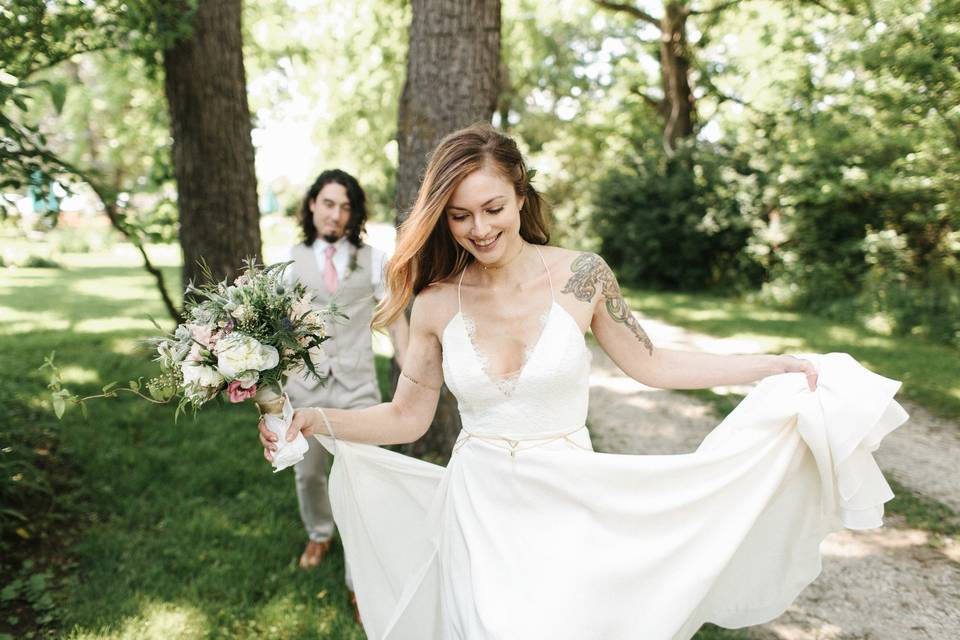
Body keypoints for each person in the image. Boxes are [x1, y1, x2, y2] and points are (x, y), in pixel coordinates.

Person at [260, 125, 907, 639]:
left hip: (572, 498)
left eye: (492, 208)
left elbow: (652, 364)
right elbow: (407, 418)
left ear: (521, 196)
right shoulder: (433, 302)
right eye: (459, 216)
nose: (479, 229)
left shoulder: (582, 276)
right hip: (479, 508)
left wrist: (770, 367)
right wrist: (317, 420)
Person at [283, 169, 409, 573]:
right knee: (309, 474)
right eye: (329, 204)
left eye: (346, 208)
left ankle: (362, 568)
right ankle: (319, 533)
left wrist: (410, 371)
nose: (336, 216)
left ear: (355, 216)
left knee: (365, 479)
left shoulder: (374, 262)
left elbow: (395, 320)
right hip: (304, 387)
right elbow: (278, 332)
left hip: (358, 389)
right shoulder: (289, 262)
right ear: (313, 205)